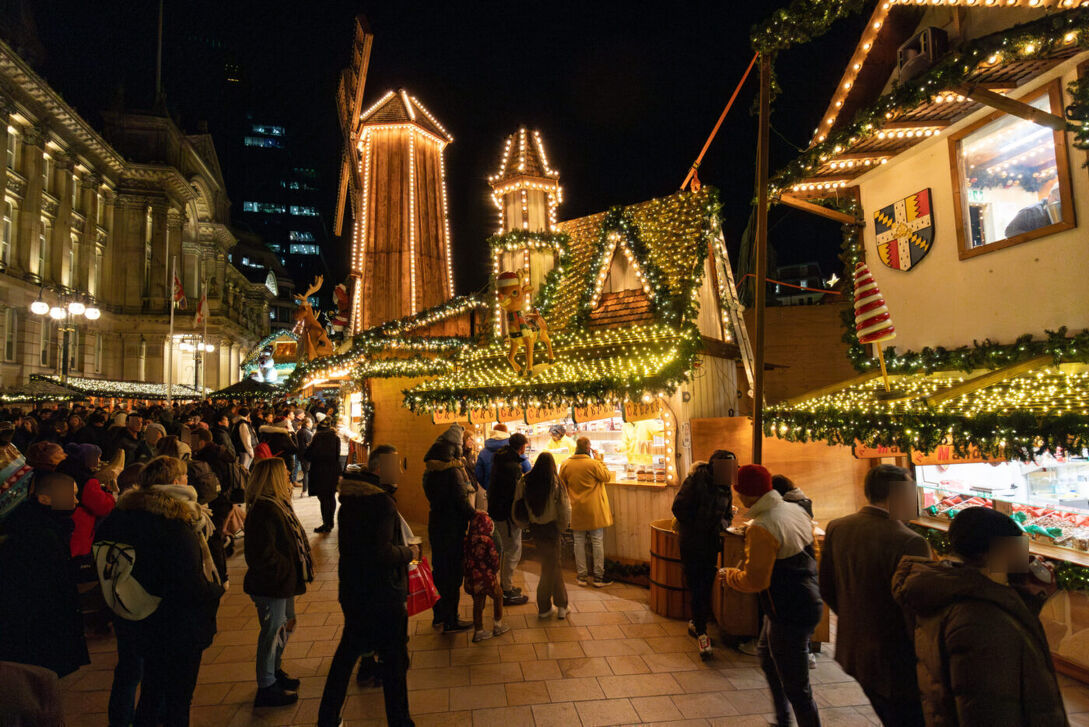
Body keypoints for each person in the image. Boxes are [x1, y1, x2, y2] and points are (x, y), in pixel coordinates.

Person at [893, 507, 1067, 726]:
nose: (1024, 555)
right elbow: (987, 707)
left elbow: (1011, 651)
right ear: (993, 552)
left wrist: (1030, 597)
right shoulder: (979, 621)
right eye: (1017, 546)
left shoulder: (957, 591)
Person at [93, 455, 224, 727]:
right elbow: (189, 583)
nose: (189, 481)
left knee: (152, 690)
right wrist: (215, 590)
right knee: (177, 698)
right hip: (177, 623)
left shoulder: (124, 513)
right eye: (185, 476)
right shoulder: (176, 521)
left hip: (137, 616)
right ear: (176, 482)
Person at [820, 464, 931, 727]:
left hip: (856, 652)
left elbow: (826, 586)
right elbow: (916, 610)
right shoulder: (910, 541)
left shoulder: (838, 527)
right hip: (896, 663)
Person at [318, 447, 417, 727]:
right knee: (394, 663)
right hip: (383, 594)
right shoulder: (381, 503)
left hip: (353, 590)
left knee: (346, 657)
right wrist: (409, 553)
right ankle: (400, 721)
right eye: (395, 465)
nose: (399, 471)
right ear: (378, 468)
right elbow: (382, 553)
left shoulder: (350, 499)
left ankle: (326, 717)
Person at [720, 464, 822, 727]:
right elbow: (812, 552)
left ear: (745, 494)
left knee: (797, 687)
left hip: (788, 610)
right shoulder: (794, 509)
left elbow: (755, 580)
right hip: (804, 599)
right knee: (768, 657)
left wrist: (730, 576)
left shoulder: (763, 526)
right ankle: (782, 719)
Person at [0, 472, 89, 678]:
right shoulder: (38, 534)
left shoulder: (45, 526)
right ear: (44, 498)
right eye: (71, 495)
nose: (76, 501)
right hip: (40, 631)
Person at [243, 457, 313, 708]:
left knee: (285, 626)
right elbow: (261, 554)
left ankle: (274, 670)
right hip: (272, 585)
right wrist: (284, 569)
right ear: (272, 477)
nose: (287, 476)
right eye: (283, 473)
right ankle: (266, 684)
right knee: (272, 632)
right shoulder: (264, 509)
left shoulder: (277, 505)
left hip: (283, 582)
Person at [672, 451, 734, 659]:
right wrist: (699, 525)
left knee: (705, 582)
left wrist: (722, 524)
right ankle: (701, 631)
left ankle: (698, 624)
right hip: (692, 541)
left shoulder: (725, 485)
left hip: (710, 542)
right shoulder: (696, 480)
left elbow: (726, 514)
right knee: (696, 581)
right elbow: (678, 507)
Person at [423, 424, 475, 633]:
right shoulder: (453, 472)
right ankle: (451, 620)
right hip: (452, 528)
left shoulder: (430, 470)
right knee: (453, 575)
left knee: (440, 572)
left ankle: (439, 615)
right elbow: (461, 501)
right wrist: (476, 515)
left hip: (436, 524)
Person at [512, 451, 571, 619]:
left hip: (535, 529)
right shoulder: (555, 481)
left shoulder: (526, 480)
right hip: (551, 528)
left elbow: (517, 503)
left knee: (550, 565)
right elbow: (565, 508)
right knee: (552, 566)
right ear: (552, 465)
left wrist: (524, 523)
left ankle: (548, 607)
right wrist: (562, 527)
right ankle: (557, 605)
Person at [560, 437, 614, 587]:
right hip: (594, 509)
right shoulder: (593, 464)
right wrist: (600, 460)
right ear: (588, 447)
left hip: (576, 508)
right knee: (596, 541)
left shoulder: (566, 464)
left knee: (578, 542)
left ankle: (581, 577)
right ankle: (598, 577)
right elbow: (607, 477)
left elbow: (562, 485)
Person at [487, 434, 531, 606]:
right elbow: (515, 493)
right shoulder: (512, 466)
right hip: (507, 514)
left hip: (499, 511)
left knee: (509, 549)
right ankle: (506, 590)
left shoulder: (501, 458)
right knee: (512, 550)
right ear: (521, 448)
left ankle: (507, 585)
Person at [463, 511, 510, 642]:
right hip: (487, 578)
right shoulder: (487, 541)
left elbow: (464, 559)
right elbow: (494, 558)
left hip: (473, 578)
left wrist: (466, 574)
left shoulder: (467, 540)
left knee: (478, 603)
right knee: (498, 595)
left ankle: (479, 631)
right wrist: (495, 570)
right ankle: (498, 625)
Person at [304, 416, 341, 533]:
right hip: (333, 471)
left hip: (320, 471)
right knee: (331, 496)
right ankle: (330, 522)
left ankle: (326, 523)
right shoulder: (336, 438)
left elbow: (308, 455)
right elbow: (337, 455)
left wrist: (308, 446)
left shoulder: (317, 438)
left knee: (323, 497)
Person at [475, 424, 529, 489]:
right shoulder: (515, 448)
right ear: (506, 432)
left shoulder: (483, 452)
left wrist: (487, 487)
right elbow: (528, 470)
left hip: (491, 492)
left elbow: (478, 475)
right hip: (512, 492)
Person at [295, 416, 313, 494]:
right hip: (307, 454)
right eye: (311, 422)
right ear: (308, 424)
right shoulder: (307, 432)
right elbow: (310, 445)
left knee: (305, 471)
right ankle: (305, 490)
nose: (312, 424)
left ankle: (306, 489)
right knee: (307, 472)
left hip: (301, 454)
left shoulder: (299, 431)